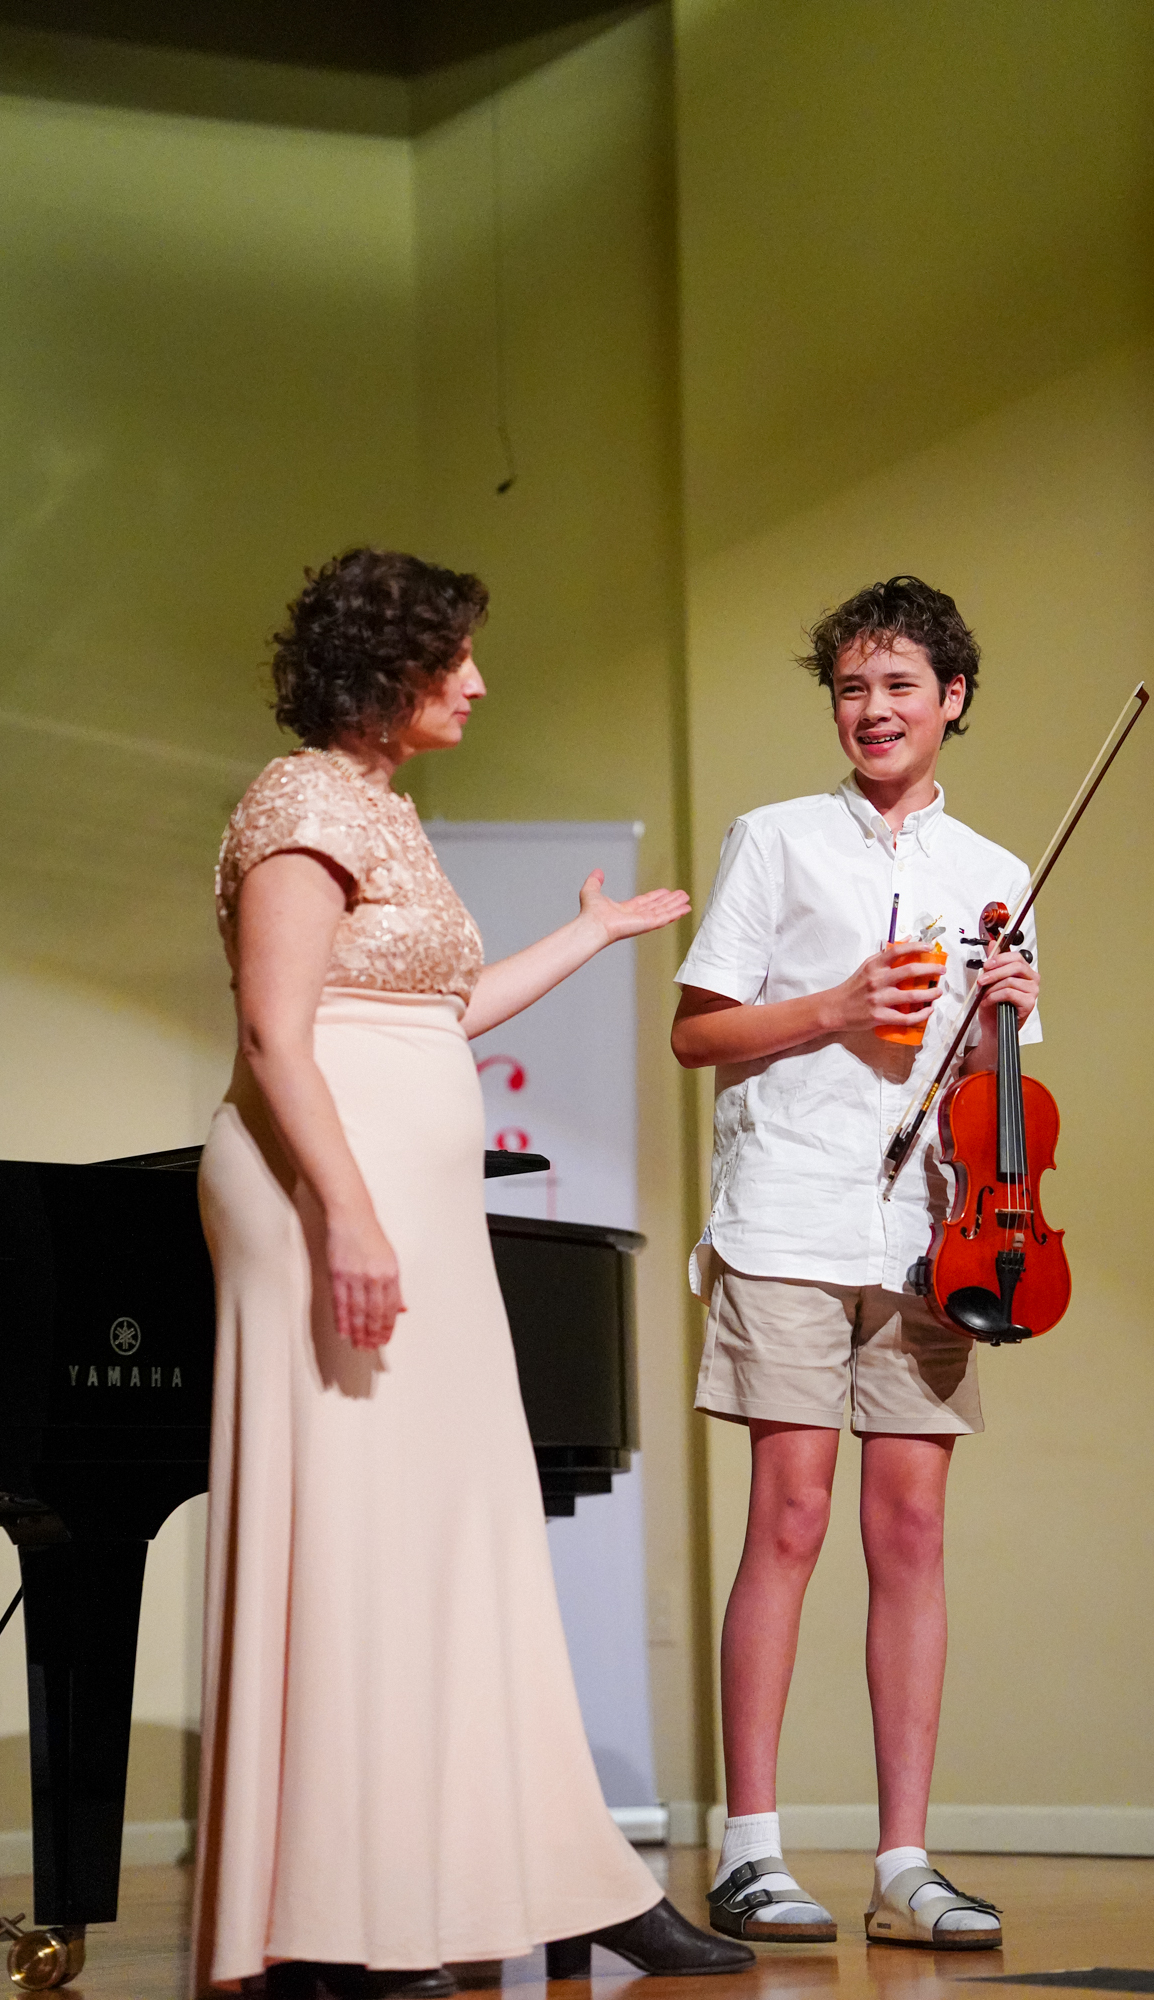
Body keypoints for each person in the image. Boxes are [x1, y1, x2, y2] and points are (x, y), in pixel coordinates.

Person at [190, 548, 755, 2000]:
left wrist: (591, 935)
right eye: (455, 662)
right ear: (386, 669)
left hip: (409, 1203)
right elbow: (275, 1032)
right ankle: (331, 1920)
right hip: (325, 1193)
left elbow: (434, 1013)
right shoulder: (301, 803)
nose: (480, 684)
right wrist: (349, 1213)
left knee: (450, 1543)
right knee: (352, 1536)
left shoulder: (385, 811)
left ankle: (518, 1881)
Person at [671, 576, 1041, 1952]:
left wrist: (1005, 1016)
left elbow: (997, 1095)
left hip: (935, 1235)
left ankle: (902, 1864)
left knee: (911, 1531)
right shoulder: (773, 840)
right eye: (850, 688)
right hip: (785, 1212)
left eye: (898, 687)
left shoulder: (998, 874)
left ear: (952, 698)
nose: (872, 710)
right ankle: (752, 1851)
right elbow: (696, 1033)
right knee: (789, 1513)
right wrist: (832, 1007)